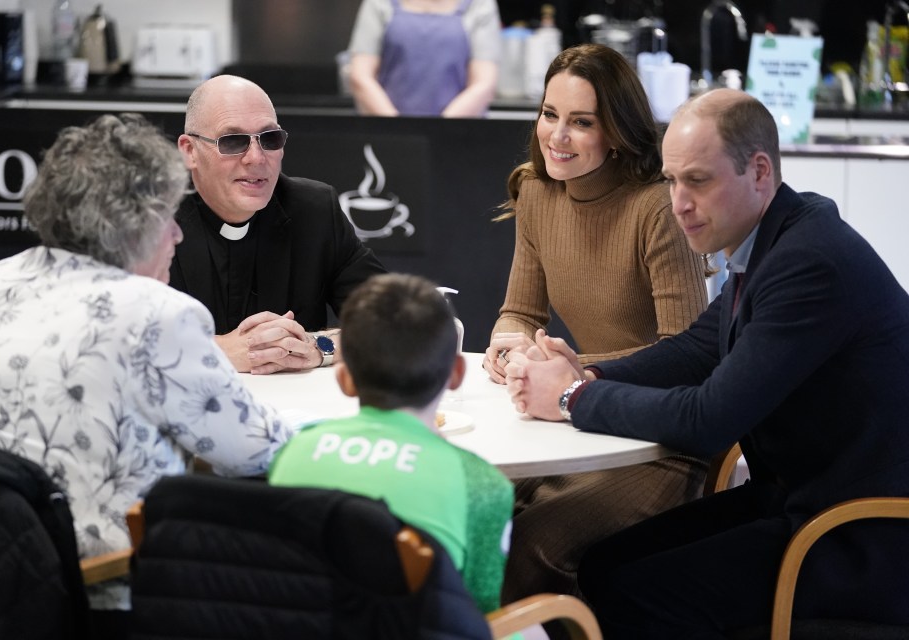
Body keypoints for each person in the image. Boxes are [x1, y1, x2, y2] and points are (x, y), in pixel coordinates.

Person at [505, 89, 909, 637]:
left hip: (858, 534)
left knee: (634, 588)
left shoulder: (807, 262)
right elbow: (697, 348)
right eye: (671, 180)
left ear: (759, 171)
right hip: (799, 497)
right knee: (603, 565)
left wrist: (571, 398)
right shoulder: (772, 239)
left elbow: (709, 419)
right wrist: (590, 374)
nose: (678, 202)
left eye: (698, 180)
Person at [0, 114, 294, 621]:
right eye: (166, 217)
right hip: (108, 584)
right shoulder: (153, 312)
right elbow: (259, 451)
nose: (177, 233)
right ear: (130, 225)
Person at [482, 43, 710, 603]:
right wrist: (509, 346)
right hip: (577, 417)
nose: (557, 136)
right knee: (480, 508)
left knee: (536, 538)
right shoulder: (536, 192)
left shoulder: (658, 206)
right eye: (549, 114)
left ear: (616, 131)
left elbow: (686, 353)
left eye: (581, 122)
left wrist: (572, 371)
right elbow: (520, 311)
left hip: (661, 439)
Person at [268, 273, 514, 614]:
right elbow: (482, 610)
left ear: (344, 379)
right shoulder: (481, 484)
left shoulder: (292, 454)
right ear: (457, 374)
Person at [170, 74, 386, 375]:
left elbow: (393, 320)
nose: (256, 158)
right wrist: (212, 350)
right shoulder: (151, 220)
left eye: (269, 139)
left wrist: (320, 347)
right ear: (190, 151)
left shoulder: (314, 210)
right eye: (233, 141)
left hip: (296, 410)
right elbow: (107, 335)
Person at [346, 0, 501, 117]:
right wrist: (396, 125)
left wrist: (438, 128)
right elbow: (361, 76)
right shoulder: (379, 3)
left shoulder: (480, 4)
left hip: (459, 134)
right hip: (386, 132)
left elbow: (484, 83)